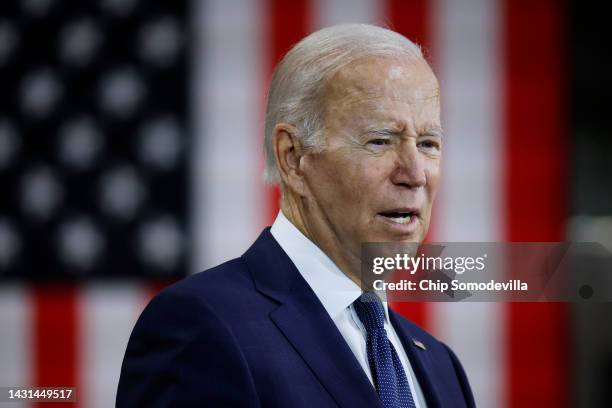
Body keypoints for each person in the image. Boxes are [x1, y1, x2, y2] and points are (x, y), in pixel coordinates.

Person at [117, 24, 475, 408]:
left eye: (427, 143)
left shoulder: (440, 366)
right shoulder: (200, 327)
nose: (415, 173)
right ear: (293, 157)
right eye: (380, 140)